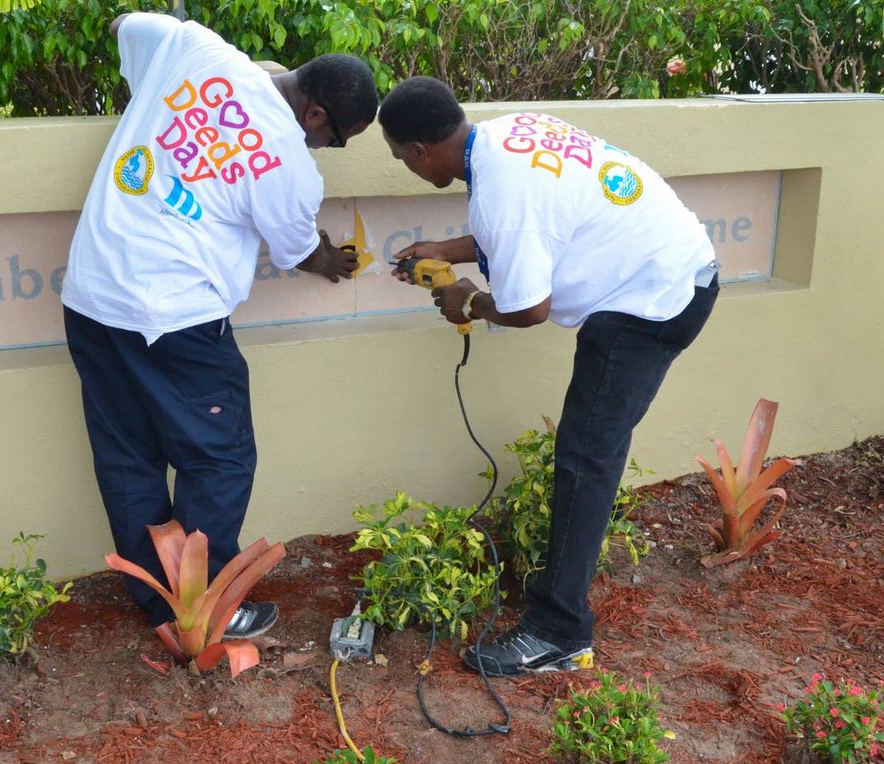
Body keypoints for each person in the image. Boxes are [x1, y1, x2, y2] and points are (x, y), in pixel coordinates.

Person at [378, 77, 719, 676]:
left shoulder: (499, 196)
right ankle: (562, 604)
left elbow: (528, 309)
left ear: (416, 152)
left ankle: (557, 633)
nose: (405, 167)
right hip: (676, 269)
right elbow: (533, 225)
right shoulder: (507, 134)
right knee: (587, 450)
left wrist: (467, 300)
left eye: (399, 159)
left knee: (585, 456)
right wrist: (450, 250)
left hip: (648, 303)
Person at [62, 12, 378, 642]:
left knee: (128, 457)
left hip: (92, 295)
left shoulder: (195, 46)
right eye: (338, 138)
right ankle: (205, 613)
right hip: (176, 316)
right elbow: (297, 249)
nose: (328, 151)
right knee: (220, 458)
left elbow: (125, 23)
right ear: (315, 116)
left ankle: (160, 610)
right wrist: (332, 259)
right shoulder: (291, 163)